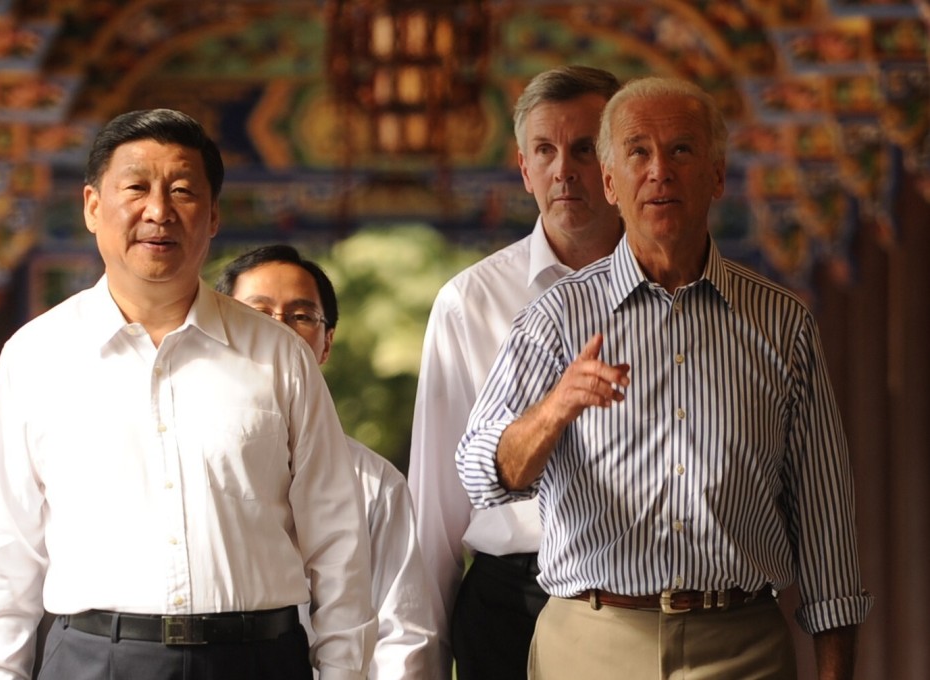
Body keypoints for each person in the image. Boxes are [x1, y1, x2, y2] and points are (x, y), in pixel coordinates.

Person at [457, 76, 872, 679]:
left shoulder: (785, 325)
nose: (660, 171)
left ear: (717, 176)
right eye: (638, 153)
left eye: (681, 150)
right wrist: (555, 409)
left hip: (743, 648)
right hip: (591, 642)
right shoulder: (556, 319)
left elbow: (826, 524)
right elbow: (480, 474)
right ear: (610, 183)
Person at [0, 109, 376, 680]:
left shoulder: (278, 356)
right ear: (92, 206)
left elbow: (337, 540)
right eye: (136, 187)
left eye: (182, 191)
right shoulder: (35, 357)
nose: (158, 211)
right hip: (93, 659)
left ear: (212, 217)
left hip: (257, 659)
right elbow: (8, 542)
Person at [407, 65, 624, 679]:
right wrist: (420, 665)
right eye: (545, 151)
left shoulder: (681, 289)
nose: (564, 169)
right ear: (524, 168)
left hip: (647, 600)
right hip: (513, 601)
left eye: (585, 148)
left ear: (616, 161)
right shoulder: (469, 302)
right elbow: (437, 510)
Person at [215, 244, 439, 679]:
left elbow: (404, 636)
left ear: (327, 342)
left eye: (300, 317)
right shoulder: (187, 466)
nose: (278, 331)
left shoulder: (375, 484)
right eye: (256, 313)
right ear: (220, 330)